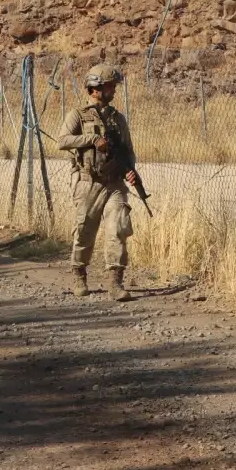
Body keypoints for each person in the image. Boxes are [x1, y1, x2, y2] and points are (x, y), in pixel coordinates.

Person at [57, 63, 138, 302]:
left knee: (118, 228)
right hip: (88, 182)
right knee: (84, 231)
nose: (113, 90)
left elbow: (128, 150)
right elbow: (62, 140)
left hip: (114, 183)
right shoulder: (78, 115)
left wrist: (131, 171)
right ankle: (79, 274)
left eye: (113, 86)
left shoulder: (118, 118)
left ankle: (115, 281)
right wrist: (92, 139)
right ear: (94, 89)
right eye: (108, 86)